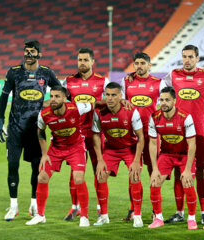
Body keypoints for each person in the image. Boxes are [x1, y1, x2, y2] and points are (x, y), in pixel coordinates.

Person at [0, 40, 61, 221]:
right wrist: (0, 121)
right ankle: (14, 205)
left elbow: (62, 92)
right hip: (15, 129)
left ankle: (33, 204)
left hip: (36, 129)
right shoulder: (14, 72)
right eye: (26, 51)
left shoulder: (46, 73)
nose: (28, 55)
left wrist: (51, 103)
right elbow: (3, 96)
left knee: (36, 167)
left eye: (32, 51)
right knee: (12, 165)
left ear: (39, 54)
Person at [162, 45, 204, 225]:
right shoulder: (173, 75)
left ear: (198, 58)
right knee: (178, 173)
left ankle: (203, 212)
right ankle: (179, 212)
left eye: (190, 57)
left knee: (199, 173)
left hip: (199, 132)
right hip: (178, 133)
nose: (187, 60)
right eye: (184, 57)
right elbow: (158, 88)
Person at [26, 86, 91, 227]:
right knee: (42, 176)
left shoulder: (77, 108)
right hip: (56, 148)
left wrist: (120, 102)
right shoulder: (44, 114)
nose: (53, 100)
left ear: (64, 98)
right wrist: (44, 154)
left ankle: (84, 216)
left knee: (78, 178)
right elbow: (41, 132)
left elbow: (95, 104)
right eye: (52, 96)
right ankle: (40, 215)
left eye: (57, 97)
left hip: (76, 147)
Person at [62, 47, 111, 221]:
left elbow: (112, 100)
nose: (82, 63)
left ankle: (100, 207)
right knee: (75, 172)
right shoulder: (68, 82)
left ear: (92, 62)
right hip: (75, 134)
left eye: (85, 60)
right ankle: (74, 207)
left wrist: (96, 104)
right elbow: (62, 104)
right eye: (79, 60)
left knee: (99, 170)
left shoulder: (102, 81)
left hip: (96, 132)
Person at [120, 52, 166, 221]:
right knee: (134, 172)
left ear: (149, 65)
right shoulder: (126, 82)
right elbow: (120, 102)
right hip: (132, 135)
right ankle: (133, 210)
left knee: (153, 171)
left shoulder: (159, 83)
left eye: (142, 63)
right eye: (136, 63)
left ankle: (156, 211)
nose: (139, 66)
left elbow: (166, 104)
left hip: (151, 134)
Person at [92, 82, 144, 227]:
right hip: (111, 149)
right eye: (107, 95)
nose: (109, 98)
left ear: (121, 96)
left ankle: (137, 216)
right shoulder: (99, 113)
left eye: (113, 95)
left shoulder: (131, 111)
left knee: (135, 176)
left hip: (130, 148)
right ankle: (104, 216)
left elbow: (141, 137)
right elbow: (96, 135)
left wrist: (136, 160)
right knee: (100, 175)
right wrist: (100, 159)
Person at [148, 86, 198, 230]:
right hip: (167, 155)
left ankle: (191, 218)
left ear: (174, 101)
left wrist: (187, 169)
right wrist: (155, 169)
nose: (163, 103)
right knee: (154, 182)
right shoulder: (155, 117)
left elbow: (192, 143)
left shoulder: (185, 117)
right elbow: (152, 143)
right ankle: (158, 218)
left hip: (184, 155)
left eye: (167, 100)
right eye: (161, 100)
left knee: (187, 183)